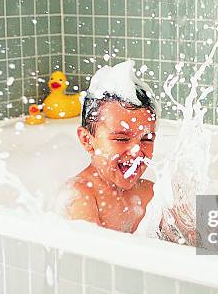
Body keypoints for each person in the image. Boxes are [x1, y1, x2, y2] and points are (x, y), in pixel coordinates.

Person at [63, 60, 158, 234]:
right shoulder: (80, 196)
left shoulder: (150, 192)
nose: (137, 151)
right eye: (121, 139)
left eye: (147, 139)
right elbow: (92, 257)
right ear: (87, 140)